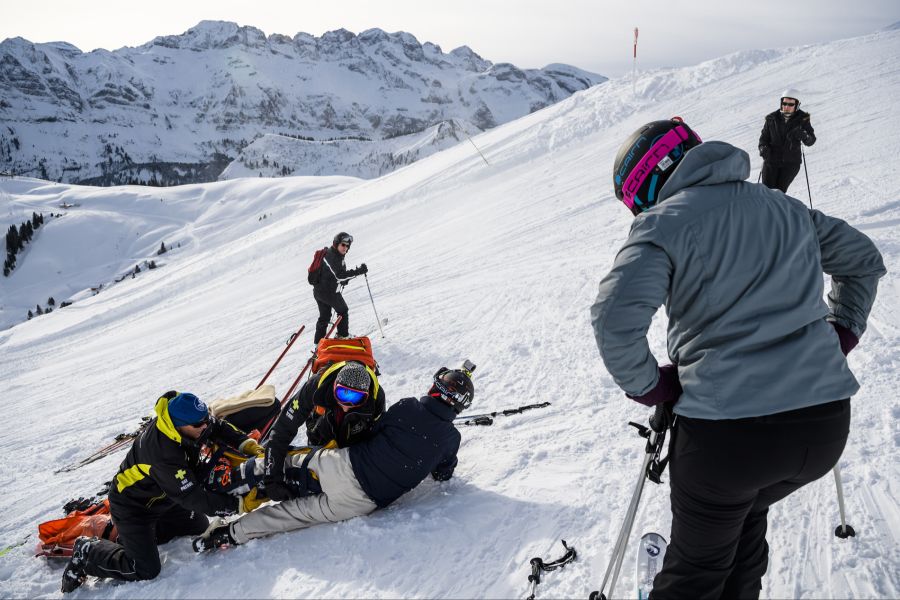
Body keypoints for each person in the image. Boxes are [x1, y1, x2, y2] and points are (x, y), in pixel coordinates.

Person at [592, 118, 885, 599]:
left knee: (698, 569)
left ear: (645, 183)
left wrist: (653, 387)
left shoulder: (663, 224)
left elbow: (613, 317)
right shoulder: (786, 207)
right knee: (746, 512)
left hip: (726, 441)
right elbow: (864, 261)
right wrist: (843, 333)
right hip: (821, 432)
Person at [193, 363, 474, 551]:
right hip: (363, 503)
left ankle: (234, 479)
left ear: (434, 386)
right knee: (292, 515)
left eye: (353, 398)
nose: (344, 400)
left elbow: (377, 432)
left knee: (292, 463)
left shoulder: (406, 406)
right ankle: (229, 534)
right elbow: (443, 473)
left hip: (345, 466)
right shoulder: (452, 439)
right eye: (341, 394)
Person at [61, 391, 265, 593]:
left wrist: (245, 443)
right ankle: (88, 552)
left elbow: (216, 425)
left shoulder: (186, 421)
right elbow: (192, 497)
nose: (204, 426)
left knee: (198, 525)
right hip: (133, 506)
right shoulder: (162, 453)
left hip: (163, 497)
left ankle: (136, 538)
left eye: (204, 419)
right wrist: (238, 505)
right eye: (198, 424)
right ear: (178, 425)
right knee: (145, 569)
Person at [262, 360, 386, 502]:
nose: (347, 405)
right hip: (320, 438)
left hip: (353, 446)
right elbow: (283, 428)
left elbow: (379, 440)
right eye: (343, 394)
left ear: (366, 395)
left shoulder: (376, 399)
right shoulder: (315, 386)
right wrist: (272, 478)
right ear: (334, 386)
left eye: (356, 397)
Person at [312, 232, 368, 343]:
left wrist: (343, 280)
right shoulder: (332, 256)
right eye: (343, 245)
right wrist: (358, 271)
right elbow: (339, 275)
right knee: (343, 310)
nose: (345, 248)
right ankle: (342, 335)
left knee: (324, 317)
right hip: (329, 292)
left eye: (347, 246)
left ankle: (318, 343)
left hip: (319, 291)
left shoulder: (334, 255)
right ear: (337, 243)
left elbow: (333, 274)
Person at [758, 89, 816, 193]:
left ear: (797, 105)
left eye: (790, 104)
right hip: (771, 161)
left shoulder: (803, 119)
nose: (786, 107)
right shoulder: (771, 118)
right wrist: (763, 148)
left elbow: (811, 140)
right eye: (784, 103)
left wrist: (805, 136)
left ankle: (777, 209)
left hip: (791, 163)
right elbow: (763, 139)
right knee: (766, 192)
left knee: (779, 192)